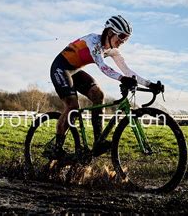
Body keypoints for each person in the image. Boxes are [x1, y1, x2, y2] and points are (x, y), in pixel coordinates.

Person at [49, 15, 162, 158]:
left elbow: (127, 71)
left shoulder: (112, 50)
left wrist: (150, 84)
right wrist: (122, 79)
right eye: (121, 36)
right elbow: (103, 67)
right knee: (72, 106)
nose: (122, 41)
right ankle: (57, 147)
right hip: (60, 68)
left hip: (75, 70)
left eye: (126, 38)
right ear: (110, 32)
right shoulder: (93, 42)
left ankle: (98, 142)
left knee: (98, 96)